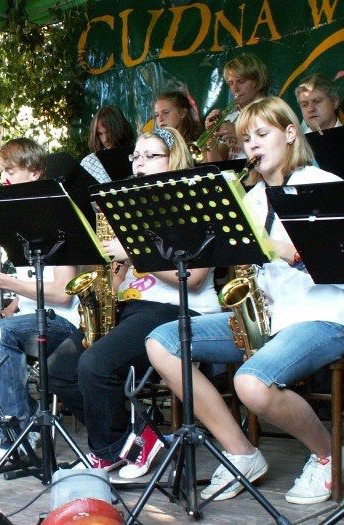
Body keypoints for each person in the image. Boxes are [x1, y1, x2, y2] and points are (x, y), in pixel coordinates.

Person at [147, 96, 344, 504]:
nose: (252, 144)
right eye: (246, 138)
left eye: (262, 134)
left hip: (325, 315)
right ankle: (241, 452)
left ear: (290, 134)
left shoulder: (325, 185)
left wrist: (276, 247)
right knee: (163, 342)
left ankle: (329, 456)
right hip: (269, 317)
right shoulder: (250, 199)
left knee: (250, 383)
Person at [48, 127, 221, 478]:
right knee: (58, 369)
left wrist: (134, 253)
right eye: (136, 156)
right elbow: (118, 280)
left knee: (94, 364)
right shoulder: (126, 211)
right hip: (132, 306)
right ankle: (125, 443)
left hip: (178, 308)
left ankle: (122, 446)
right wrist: (110, 279)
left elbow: (194, 277)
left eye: (150, 156)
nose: (139, 163)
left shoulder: (192, 204)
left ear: (174, 159)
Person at [0, 137, 81, 468]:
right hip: (28, 318)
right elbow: (31, 282)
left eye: (9, 171)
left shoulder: (58, 214)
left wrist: (4, 281)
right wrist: (10, 307)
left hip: (62, 321)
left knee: (0, 334)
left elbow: (63, 292)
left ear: (34, 172)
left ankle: (15, 439)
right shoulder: (16, 219)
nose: (2, 178)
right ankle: (31, 419)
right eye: (1, 171)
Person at [203, 53, 270, 162]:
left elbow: (273, 155)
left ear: (257, 82)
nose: (235, 88)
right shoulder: (231, 118)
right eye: (231, 83)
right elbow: (218, 165)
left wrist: (238, 133)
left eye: (241, 81)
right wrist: (210, 136)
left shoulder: (272, 112)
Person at [80, 105, 136, 183]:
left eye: (109, 132)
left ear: (119, 129)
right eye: (100, 134)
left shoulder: (139, 155)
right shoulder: (90, 162)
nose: (105, 139)